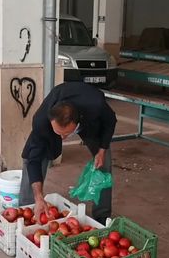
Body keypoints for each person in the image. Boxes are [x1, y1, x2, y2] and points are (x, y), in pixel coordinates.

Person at [19, 82, 117, 224]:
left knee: (104, 162)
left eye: (66, 134)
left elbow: (110, 121)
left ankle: (102, 216)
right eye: (58, 133)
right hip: (51, 124)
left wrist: (102, 150)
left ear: (76, 123)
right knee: (32, 158)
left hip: (90, 125)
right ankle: (28, 209)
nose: (62, 139)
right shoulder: (41, 121)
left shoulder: (96, 104)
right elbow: (33, 159)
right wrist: (39, 196)